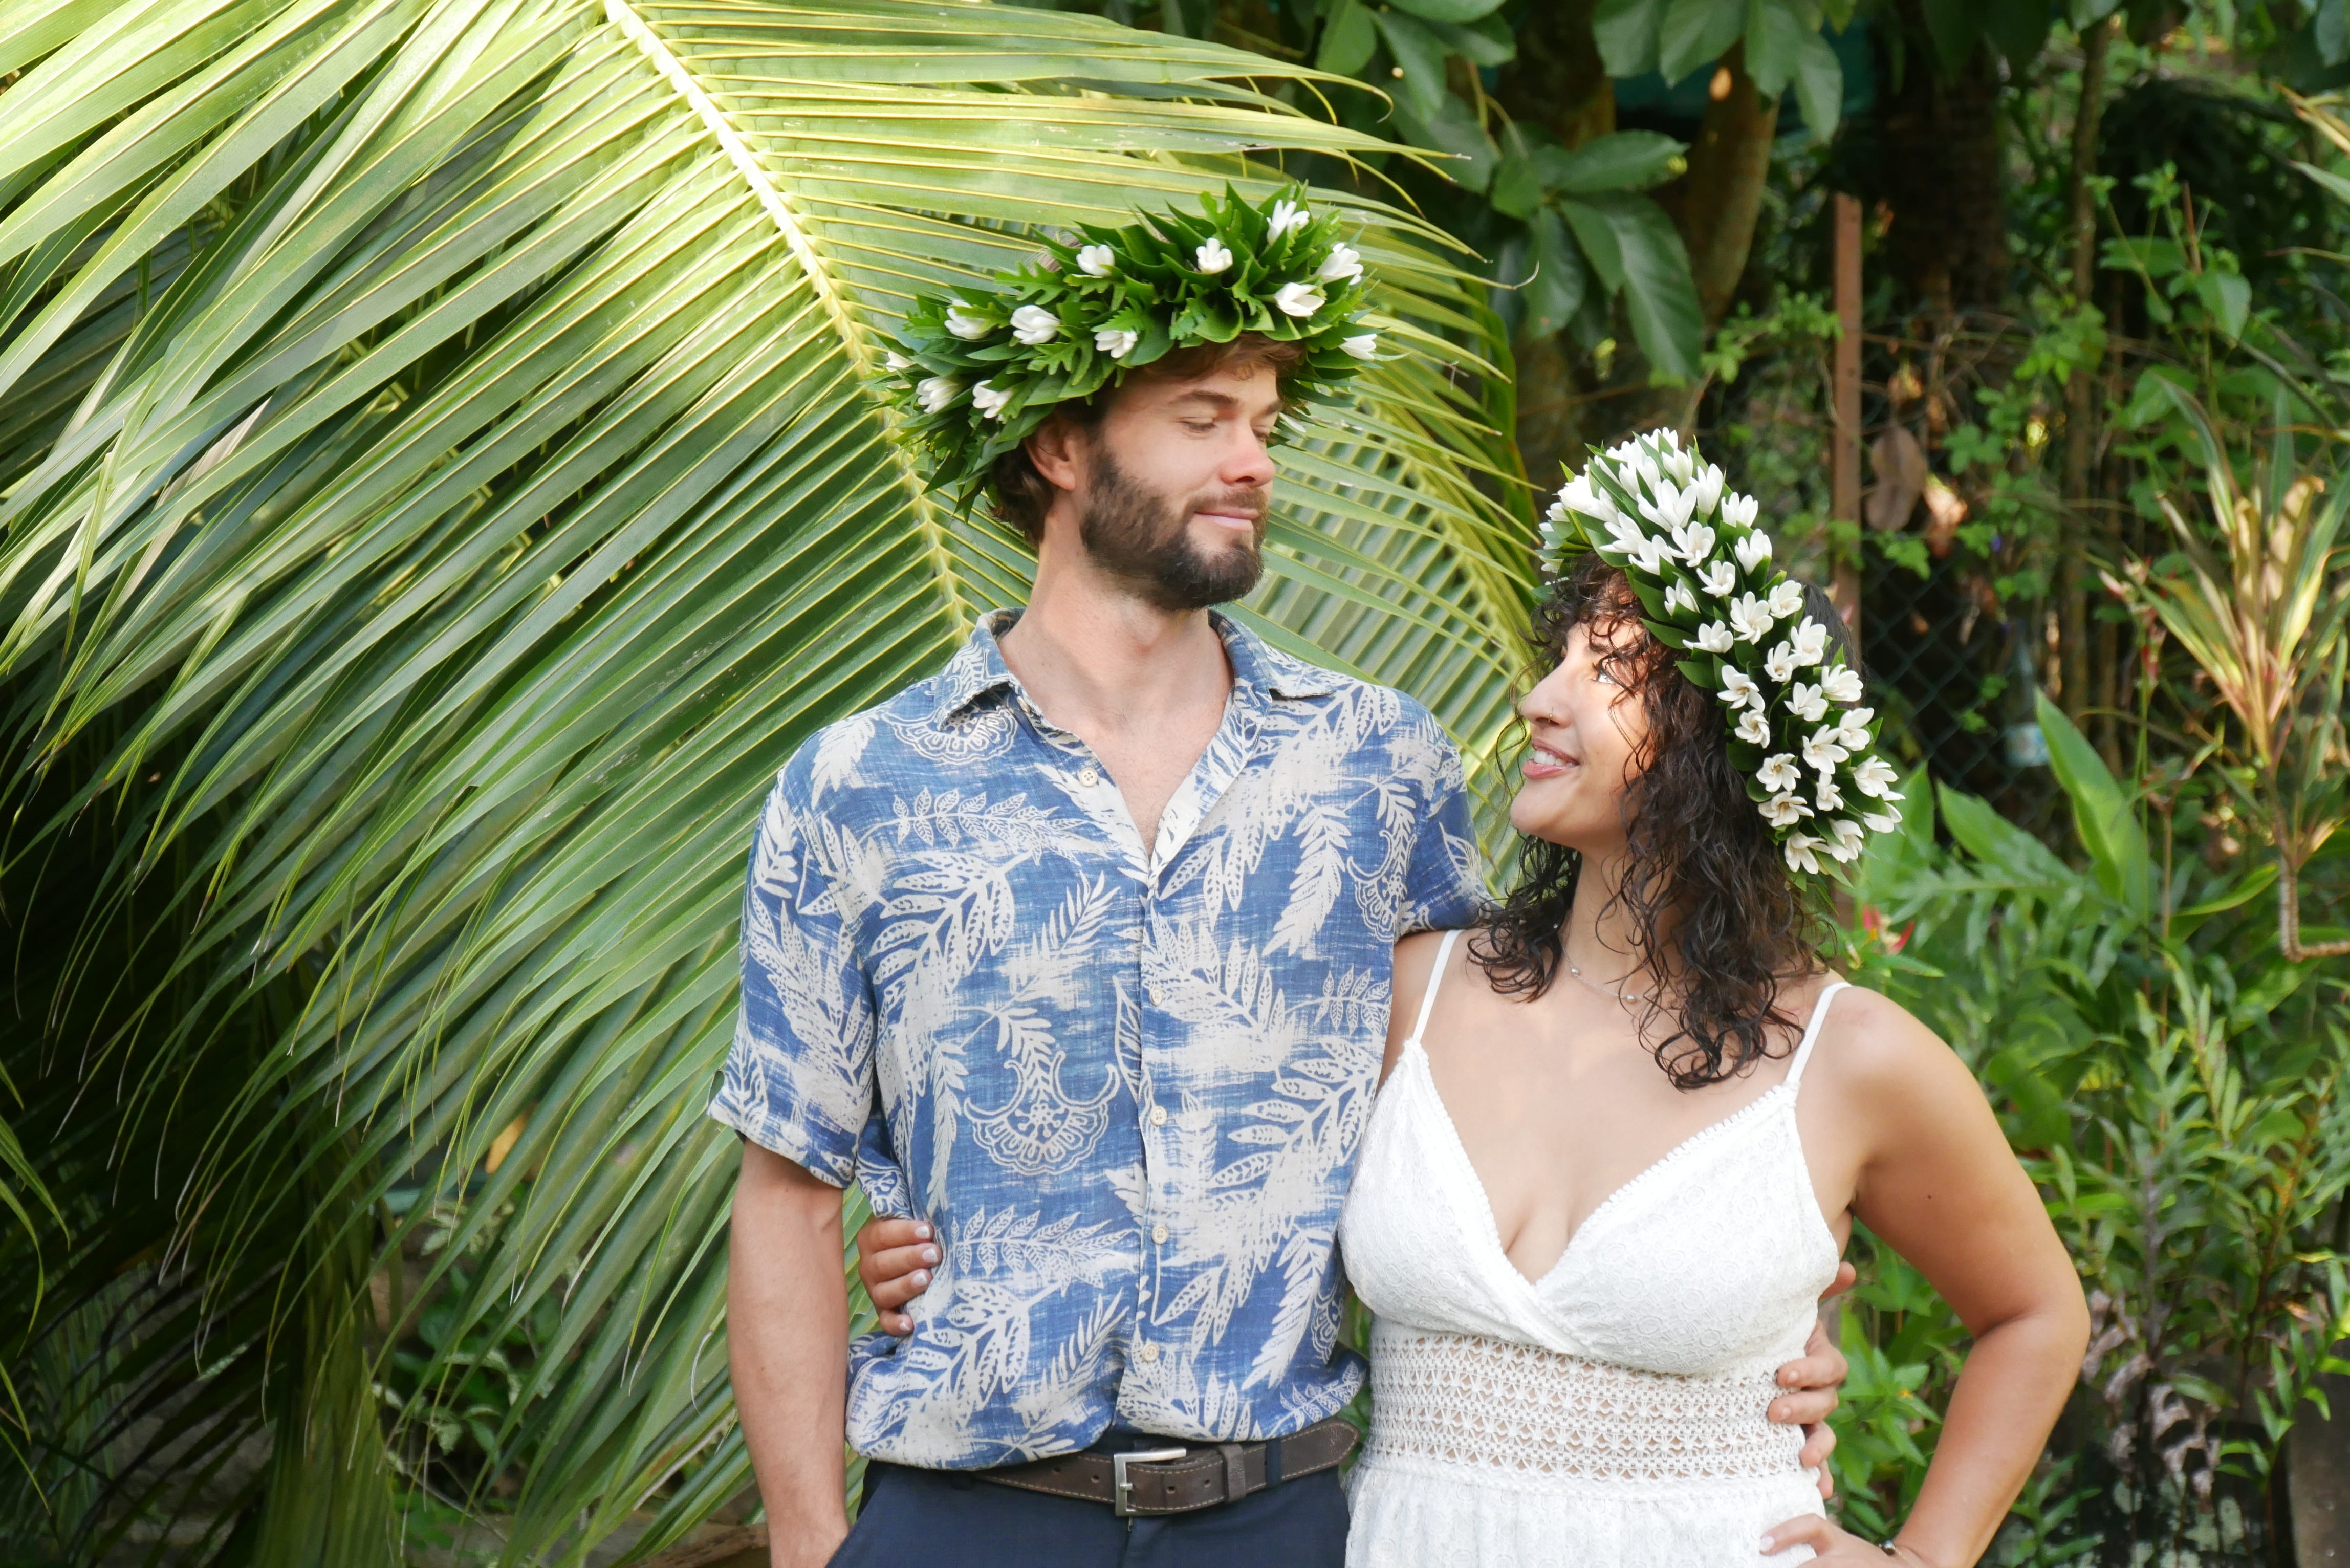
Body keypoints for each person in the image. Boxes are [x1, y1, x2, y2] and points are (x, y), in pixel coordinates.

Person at [716, 187, 1849, 1568]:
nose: (1254, 459)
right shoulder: (857, 789)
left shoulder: (1382, 770)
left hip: (1287, 1522)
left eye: (1264, 424)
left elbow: (1529, 1085)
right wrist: (807, 1542)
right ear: (1064, 444)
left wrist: (1770, 1328)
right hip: (963, 1520)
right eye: (1203, 416)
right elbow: (788, 1192)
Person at [856, 431, 2092, 1566]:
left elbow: (2035, 1311)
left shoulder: (1849, 1055)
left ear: (1727, 742)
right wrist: (943, 1244)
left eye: (1610, 671)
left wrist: (1921, 1558)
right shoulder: (1414, 985)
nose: (1542, 697)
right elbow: (1188, 1162)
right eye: (1559, 652)